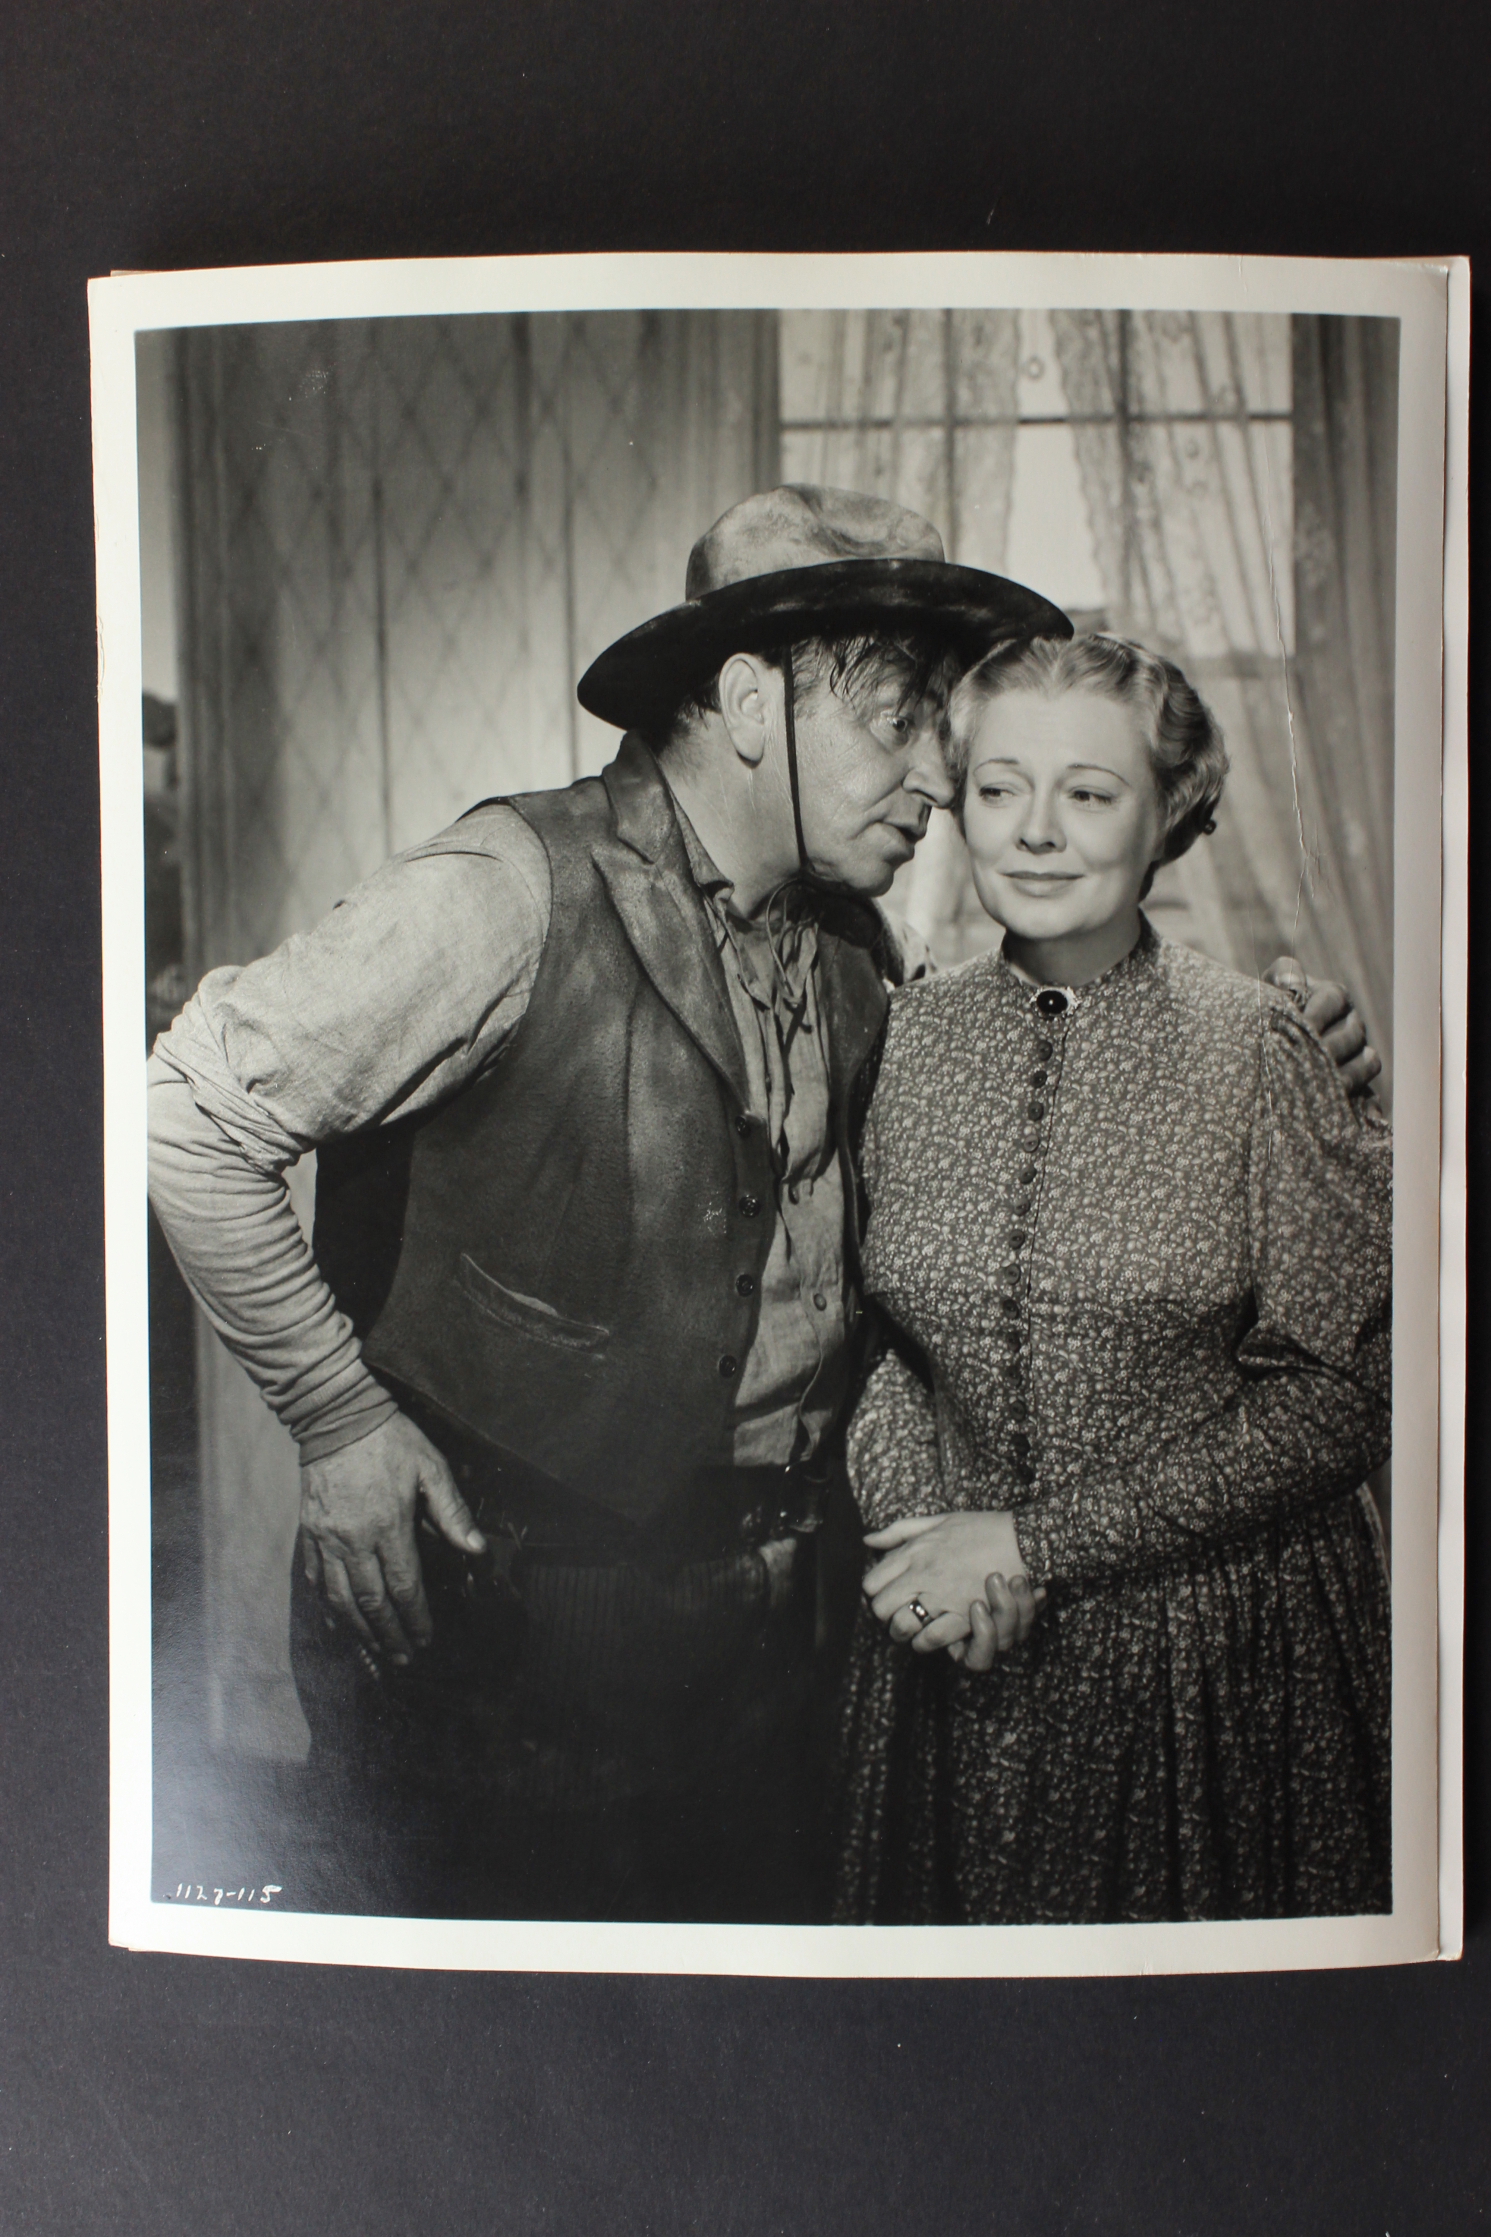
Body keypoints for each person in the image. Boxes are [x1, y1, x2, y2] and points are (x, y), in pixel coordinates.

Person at [148, 484, 1376, 1928]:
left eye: (944, 729)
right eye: (895, 721)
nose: (940, 773)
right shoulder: (504, 887)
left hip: (777, 1661)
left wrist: (1299, 1061)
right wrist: (337, 1417)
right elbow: (187, 1109)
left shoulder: (860, 952)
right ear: (746, 701)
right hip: (504, 1644)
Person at [834, 632, 1392, 1927]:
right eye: (997, 787)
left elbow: (1343, 1397)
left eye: (1088, 793)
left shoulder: (1264, 1044)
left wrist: (1034, 1542)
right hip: (956, 1653)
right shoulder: (907, 1031)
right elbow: (885, 1346)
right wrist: (928, 1551)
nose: (1034, 832)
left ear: (1171, 815)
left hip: (1205, 1662)